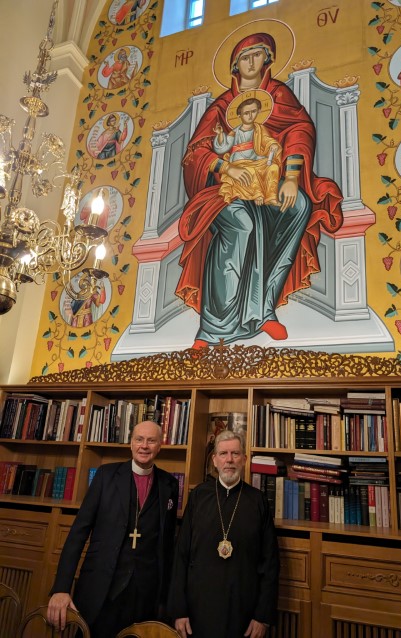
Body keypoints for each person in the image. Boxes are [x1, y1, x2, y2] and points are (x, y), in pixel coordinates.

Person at [175, 32, 343, 349]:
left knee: (298, 206)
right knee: (242, 226)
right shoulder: (221, 107)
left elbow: (299, 130)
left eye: (257, 55)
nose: (252, 62)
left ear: (267, 59)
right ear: (235, 64)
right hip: (223, 190)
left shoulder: (278, 95)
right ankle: (211, 330)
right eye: (245, 56)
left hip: (264, 182)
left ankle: (264, 309)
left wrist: (291, 177)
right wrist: (226, 167)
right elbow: (196, 153)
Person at [47, 420, 179, 638]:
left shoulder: (170, 485)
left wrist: (168, 600)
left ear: (159, 446)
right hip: (101, 586)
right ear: (131, 443)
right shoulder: (105, 475)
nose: (144, 446)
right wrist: (61, 587)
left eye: (151, 441)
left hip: (145, 593)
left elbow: (167, 546)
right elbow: (78, 533)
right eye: (139, 439)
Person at [168, 430, 279, 638]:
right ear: (214, 460)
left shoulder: (258, 501)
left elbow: (270, 563)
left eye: (235, 453)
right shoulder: (198, 496)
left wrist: (262, 616)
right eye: (223, 454)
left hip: (243, 611)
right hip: (198, 608)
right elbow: (181, 556)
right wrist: (179, 610)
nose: (229, 460)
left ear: (244, 459)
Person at [214, 97, 281, 206]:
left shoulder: (259, 129)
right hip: (239, 161)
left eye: (253, 111)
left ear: (259, 111)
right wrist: (220, 134)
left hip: (257, 159)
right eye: (246, 113)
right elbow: (223, 148)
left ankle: (271, 197)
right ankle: (257, 195)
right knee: (250, 171)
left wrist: (272, 144)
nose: (250, 115)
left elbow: (267, 140)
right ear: (239, 115)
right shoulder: (235, 132)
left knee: (273, 167)